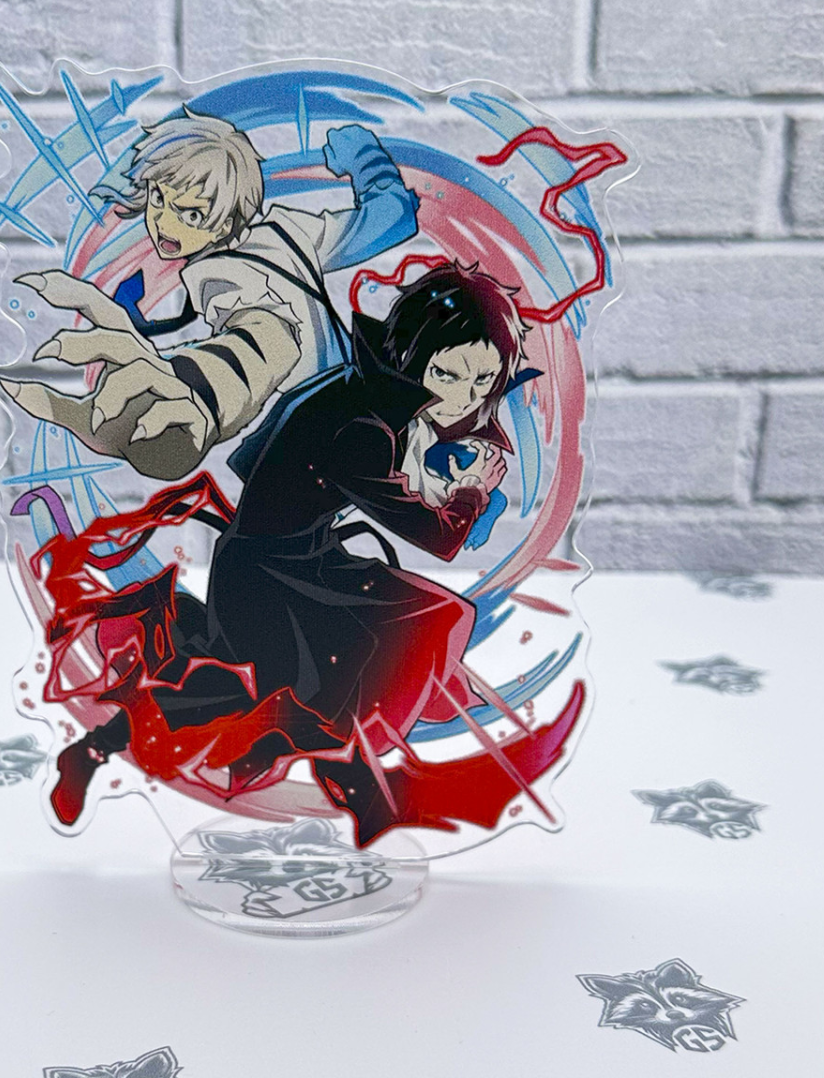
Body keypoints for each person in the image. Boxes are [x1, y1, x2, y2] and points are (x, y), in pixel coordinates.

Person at [40, 261, 584, 847]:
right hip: (267, 577)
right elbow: (438, 538)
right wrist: (472, 493)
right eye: (447, 374)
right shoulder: (362, 426)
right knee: (271, 691)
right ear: (409, 358)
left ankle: (380, 767)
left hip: (304, 558)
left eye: (483, 382)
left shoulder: (361, 392)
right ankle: (95, 749)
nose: (465, 397)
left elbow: (260, 460)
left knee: (380, 644)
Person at [0, 108, 418, 481]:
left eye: (193, 214)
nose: (165, 224)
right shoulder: (274, 241)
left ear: (226, 223)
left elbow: (268, 335)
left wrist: (199, 391)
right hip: (335, 434)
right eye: (159, 199)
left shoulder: (234, 266)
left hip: (344, 426)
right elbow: (393, 216)